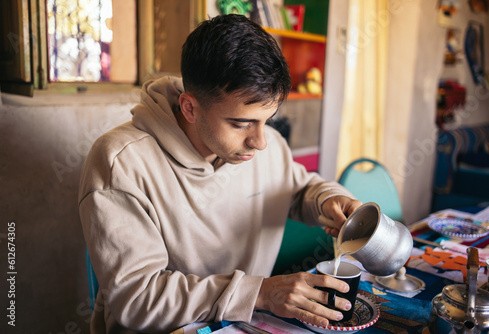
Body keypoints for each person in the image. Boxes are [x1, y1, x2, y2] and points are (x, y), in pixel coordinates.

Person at [79, 14, 362, 333]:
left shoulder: (264, 146)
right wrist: (261, 293)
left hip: (246, 324)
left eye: (267, 120)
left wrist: (328, 200)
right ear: (190, 108)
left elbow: (297, 189)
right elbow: (138, 298)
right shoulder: (121, 163)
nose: (260, 141)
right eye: (241, 123)